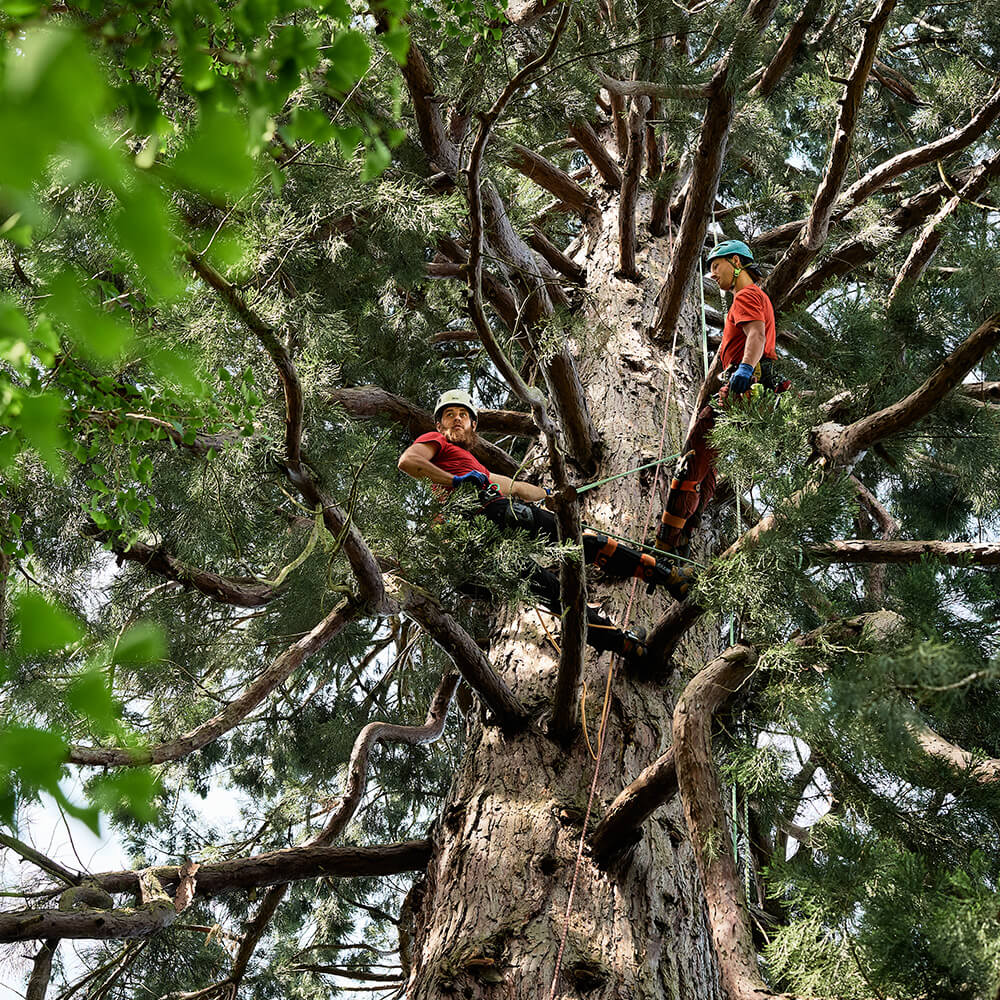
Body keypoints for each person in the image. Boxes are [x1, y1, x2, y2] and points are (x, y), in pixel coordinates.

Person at [398, 389, 695, 665]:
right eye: (449, 415)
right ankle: (666, 578)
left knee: (559, 592)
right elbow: (409, 461)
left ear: (474, 425)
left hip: (489, 535)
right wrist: (454, 482)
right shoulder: (437, 443)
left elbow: (514, 487)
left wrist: (550, 497)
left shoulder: (476, 468)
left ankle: (627, 644)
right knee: (574, 550)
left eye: (463, 415)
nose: (457, 419)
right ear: (439, 426)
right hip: (482, 523)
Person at [655, 240, 789, 556]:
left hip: (744, 387)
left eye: (716, 266)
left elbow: (755, 335)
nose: (712, 274)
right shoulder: (759, 298)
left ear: (736, 261)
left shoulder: (746, 295)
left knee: (693, 453)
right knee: (709, 465)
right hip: (754, 392)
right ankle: (685, 537)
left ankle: (666, 542)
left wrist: (744, 368)